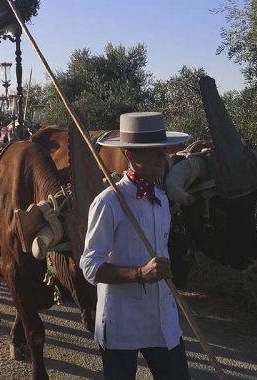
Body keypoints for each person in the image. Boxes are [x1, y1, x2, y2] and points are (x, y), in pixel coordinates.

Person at [80, 112, 192, 380]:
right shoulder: (108, 202)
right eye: (152, 152)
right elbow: (89, 266)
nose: (162, 158)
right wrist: (140, 274)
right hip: (122, 323)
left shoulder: (162, 200)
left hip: (163, 322)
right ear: (130, 155)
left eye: (162, 150)